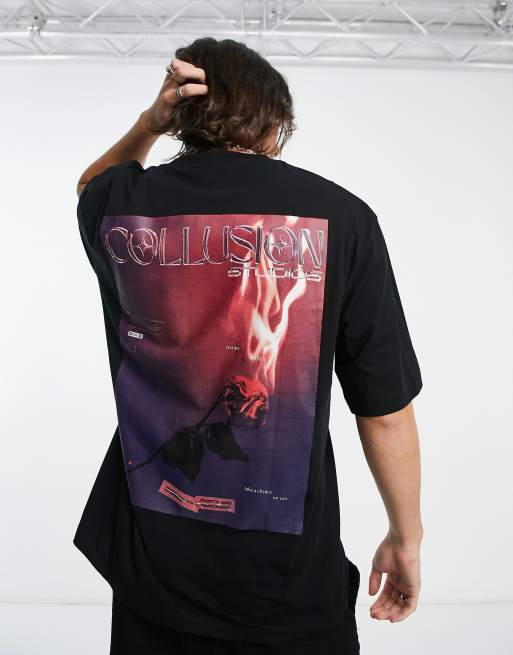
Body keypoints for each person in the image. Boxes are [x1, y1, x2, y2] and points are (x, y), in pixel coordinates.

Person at [74, 37, 423, 655]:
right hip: (286, 580)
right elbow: (384, 409)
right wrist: (406, 536)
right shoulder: (342, 217)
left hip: (153, 568)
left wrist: (150, 123)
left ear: (182, 111)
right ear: (273, 121)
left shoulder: (122, 204)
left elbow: (89, 185)